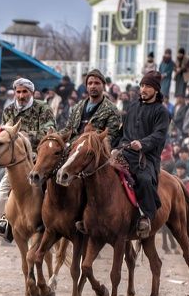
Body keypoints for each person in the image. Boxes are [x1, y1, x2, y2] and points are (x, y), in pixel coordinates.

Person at [0, 77, 55, 240]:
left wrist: (25, 137)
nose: (21, 95)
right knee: (1, 191)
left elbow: (50, 131)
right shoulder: (9, 110)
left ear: (32, 93)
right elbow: (5, 132)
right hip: (16, 160)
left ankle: (47, 221)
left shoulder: (43, 108)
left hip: (38, 158)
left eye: (24, 92)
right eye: (18, 92)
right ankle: (4, 223)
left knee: (45, 188)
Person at [118, 71, 170, 239]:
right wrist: (114, 147)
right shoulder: (132, 106)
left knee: (145, 179)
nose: (143, 89)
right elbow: (122, 131)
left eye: (148, 86)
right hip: (124, 153)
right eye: (142, 85)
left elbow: (160, 135)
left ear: (156, 89)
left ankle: (146, 217)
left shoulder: (161, 111)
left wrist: (142, 144)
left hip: (146, 158)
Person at [61, 69, 122, 145]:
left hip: (94, 151)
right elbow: (68, 129)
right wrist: (54, 137)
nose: (93, 86)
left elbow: (111, 136)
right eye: (90, 83)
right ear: (86, 87)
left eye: (97, 83)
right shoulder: (77, 107)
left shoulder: (111, 109)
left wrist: (90, 140)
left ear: (103, 86)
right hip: (71, 148)